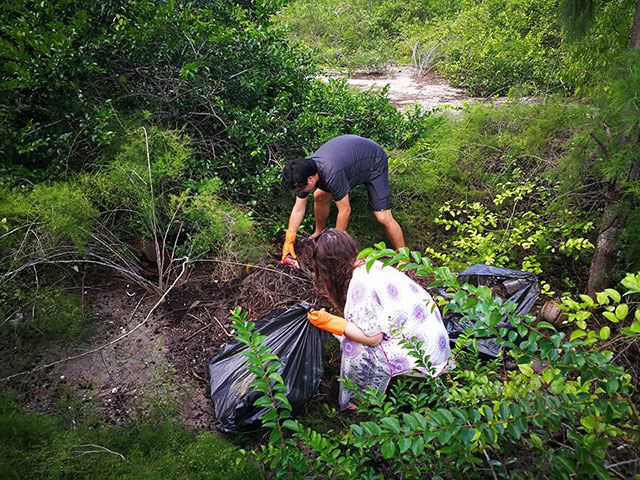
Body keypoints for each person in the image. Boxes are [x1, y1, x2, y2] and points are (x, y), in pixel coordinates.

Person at [306, 229, 452, 410]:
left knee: (355, 345)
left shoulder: (360, 282)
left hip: (422, 356)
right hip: (434, 346)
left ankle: (362, 400)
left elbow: (373, 338)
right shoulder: (370, 264)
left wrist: (334, 323)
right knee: (352, 334)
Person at [281, 134, 404, 263]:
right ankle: (319, 233)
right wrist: (289, 237)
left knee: (383, 217)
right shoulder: (303, 172)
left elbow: (345, 210)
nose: (299, 193)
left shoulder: (332, 174)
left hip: (374, 161)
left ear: (311, 179)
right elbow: (299, 208)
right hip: (349, 160)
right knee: (319, 196)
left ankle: (404, 259)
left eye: (300, 190)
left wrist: (335, 244)